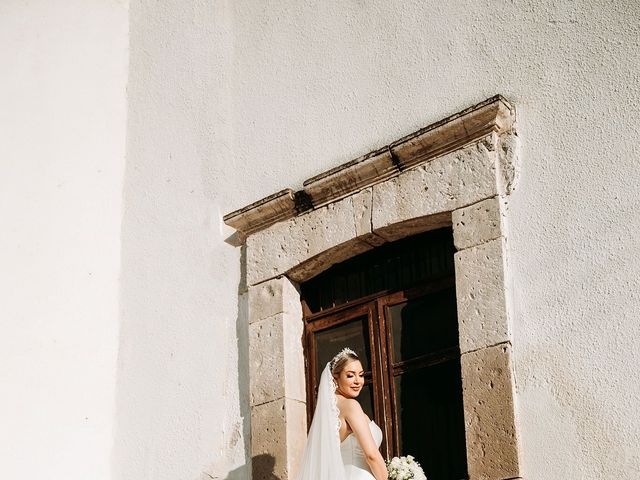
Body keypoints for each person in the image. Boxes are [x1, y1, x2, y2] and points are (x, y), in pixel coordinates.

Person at [296, 348, 388, 480]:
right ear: (335, 379)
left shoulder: (331, 412)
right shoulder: (351, 406)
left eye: (361, 375)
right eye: (350, 375)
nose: (358, 381)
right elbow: (371, 455)